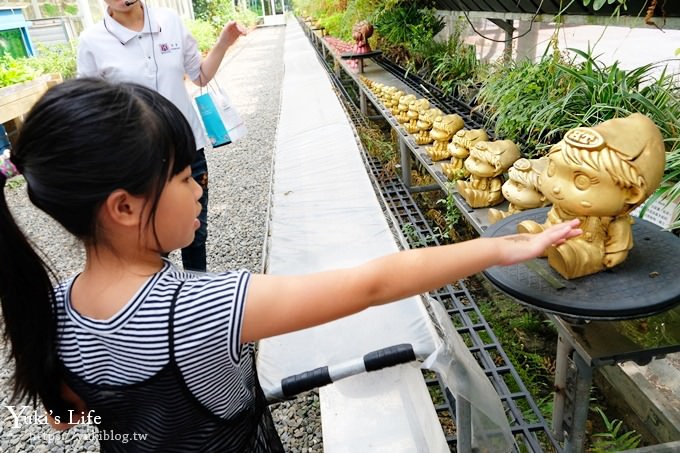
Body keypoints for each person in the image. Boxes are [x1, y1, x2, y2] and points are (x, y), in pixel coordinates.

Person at [0, 79, 582, 451]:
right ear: (124, 207)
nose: (200, 186)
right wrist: (503, 248)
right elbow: (373, 284)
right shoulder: (201, 310)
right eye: (183, 176)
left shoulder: (46, 309)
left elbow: (71, 419)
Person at [77, 0, 246, 272]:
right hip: (140, 156)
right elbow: (89, 103)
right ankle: (159, 294)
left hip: (189, 146)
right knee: (153, 234)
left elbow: (200, 76)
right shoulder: (92, 41)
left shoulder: (169, 21)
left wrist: (224, 42)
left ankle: (197, 290)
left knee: (195, 228)